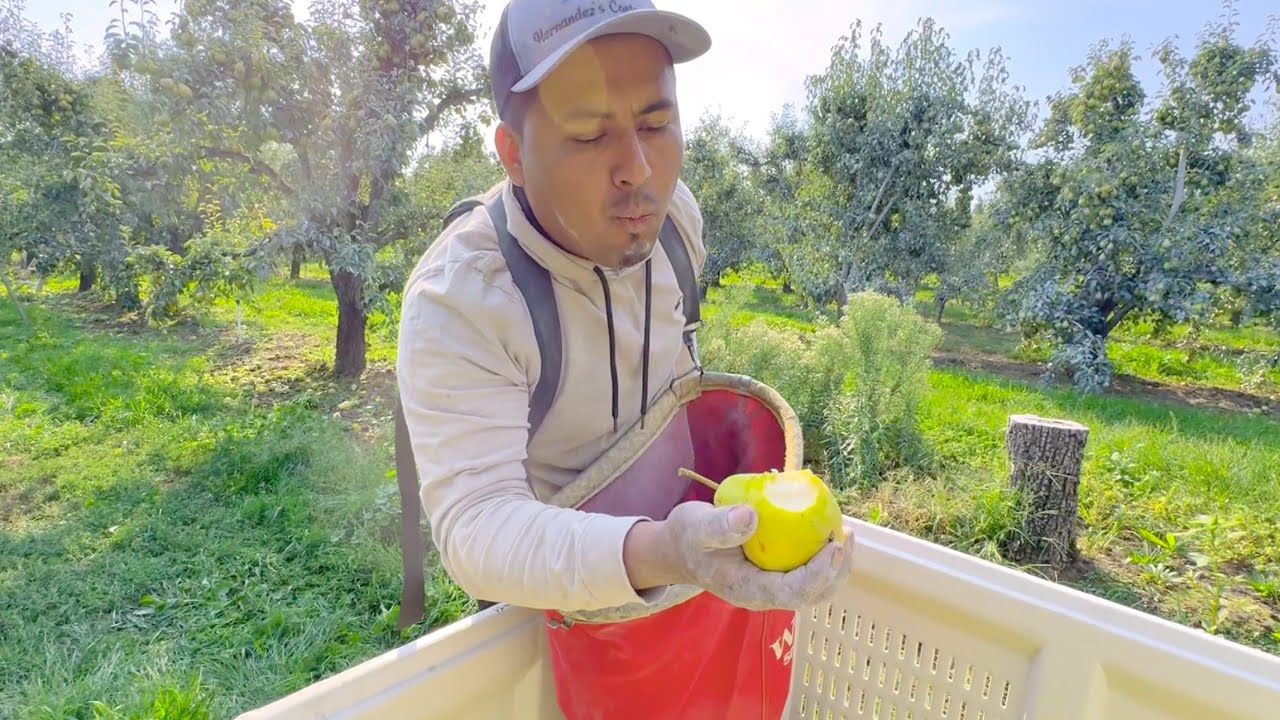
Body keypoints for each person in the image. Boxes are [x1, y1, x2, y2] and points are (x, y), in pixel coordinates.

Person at [395, 0, 857, 717]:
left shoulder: (675, 223)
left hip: (692, 573)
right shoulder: (465, 300)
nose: (638, 170)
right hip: (565, 616)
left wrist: (692, 549)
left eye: (655, 124)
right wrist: (665, 553)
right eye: (588, 134)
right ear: (513, 154)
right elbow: (479, 526)